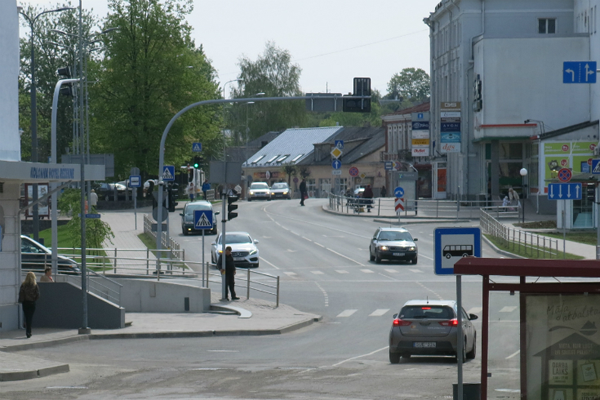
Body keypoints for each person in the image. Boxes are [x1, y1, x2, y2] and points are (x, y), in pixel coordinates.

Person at [18, 272, 40, 338]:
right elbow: (38, 294)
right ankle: (29, 332)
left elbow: (21, 293)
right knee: (30, 317)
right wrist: (34, 299)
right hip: (32, 303)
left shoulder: (23, 285)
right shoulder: (35, 285)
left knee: (27, 316)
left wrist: (21, 301)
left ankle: (28, 331)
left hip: (25, 303)